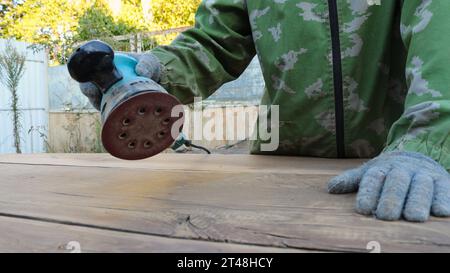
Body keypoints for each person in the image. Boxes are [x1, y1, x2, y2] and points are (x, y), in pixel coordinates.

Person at [80, 0, 450, 222]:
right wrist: (157, 73)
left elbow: (441, 33)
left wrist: (429, 142)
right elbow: (214, 42)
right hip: (280, 164)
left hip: (400, 168)